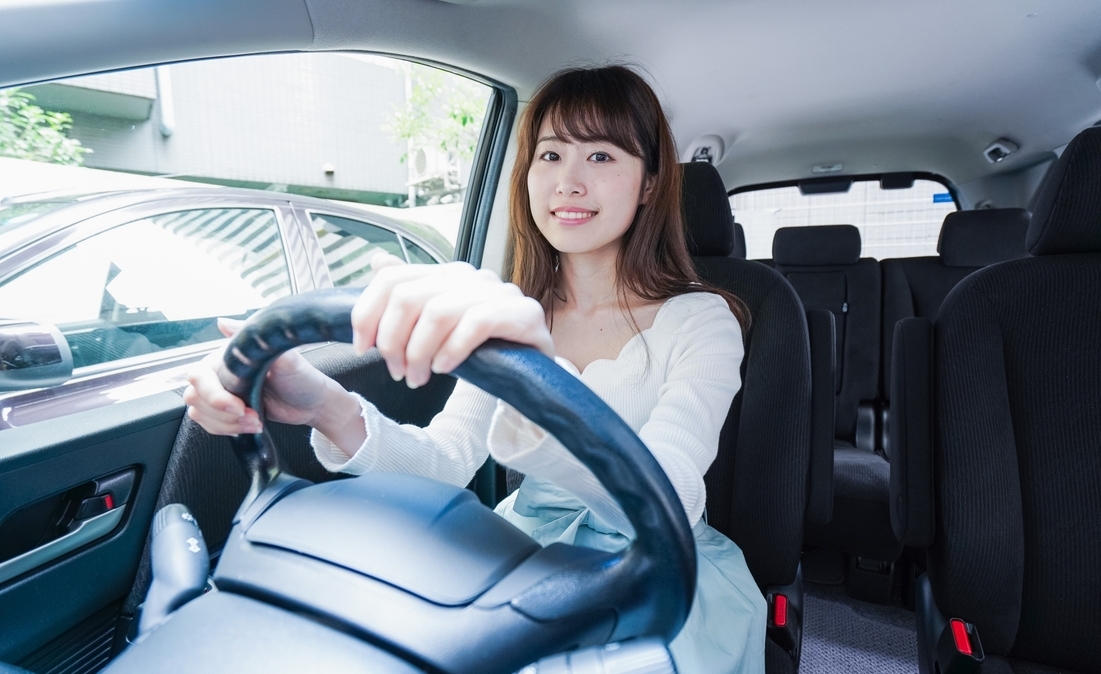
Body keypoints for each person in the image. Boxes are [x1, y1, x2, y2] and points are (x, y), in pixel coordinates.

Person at [184, 64, 766, 672]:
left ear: (649, 183)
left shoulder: (702, 319)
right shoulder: (516, 311)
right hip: (520, 552)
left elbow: (673, 496)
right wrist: (324, 406)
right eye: (550, 155)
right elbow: (445, 461)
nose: (567, 182)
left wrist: (542, 376)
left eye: (600, 156)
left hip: (659, 575)